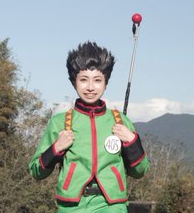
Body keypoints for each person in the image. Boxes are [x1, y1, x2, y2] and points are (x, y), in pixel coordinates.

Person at [29, 41, 150, 213]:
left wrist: (131, 142)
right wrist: (56, 148)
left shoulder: (121, 121)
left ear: (106, 82)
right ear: (74, 82)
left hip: (112, 206)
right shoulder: (59, 122)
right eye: (84, 80)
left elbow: (140, 171)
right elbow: (36, 171)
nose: (91, 87)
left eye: (98, 80)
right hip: (71, 207)